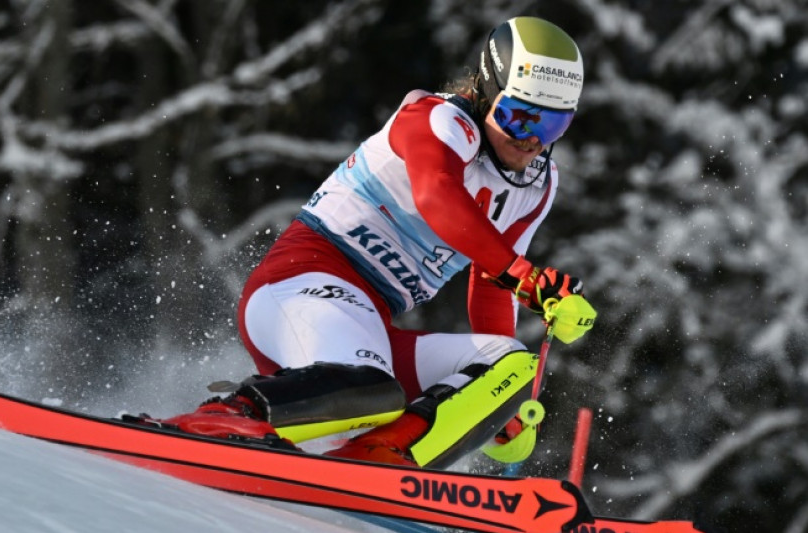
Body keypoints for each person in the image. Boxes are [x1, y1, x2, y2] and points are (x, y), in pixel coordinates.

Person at [163, 16, 595, 469]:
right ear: (487, 91)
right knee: (372, 390)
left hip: (369, 324)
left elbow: (491, 284)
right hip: (298, 285)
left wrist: (499, 407)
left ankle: (381, 459)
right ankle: (220, 419)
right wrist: (524, 276)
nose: (529, 140)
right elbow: (437, 196)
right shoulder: (435, 120)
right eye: (518, 115)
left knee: (512, 367)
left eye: (551, 127)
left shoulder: (536, 187)